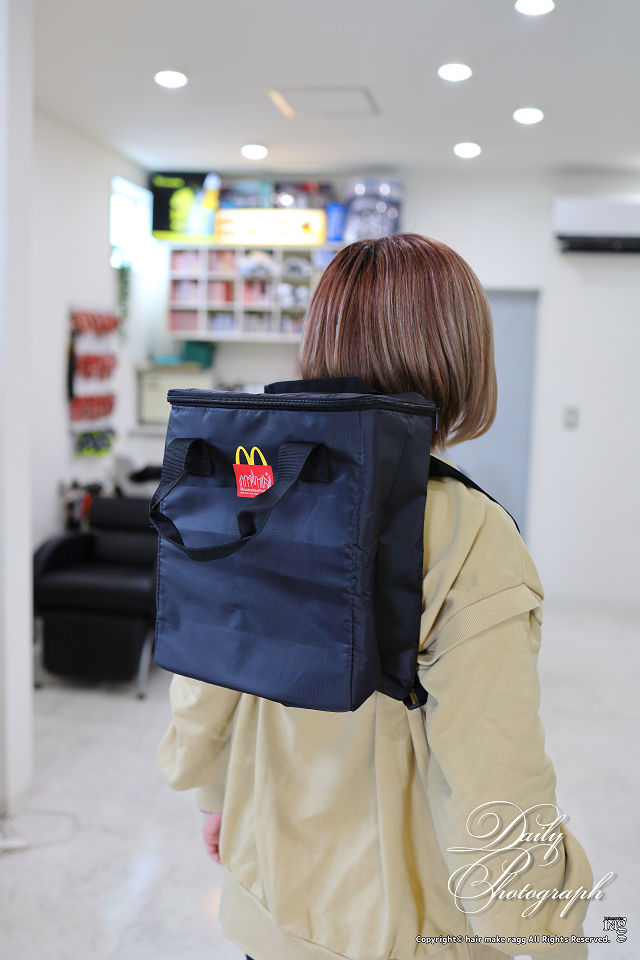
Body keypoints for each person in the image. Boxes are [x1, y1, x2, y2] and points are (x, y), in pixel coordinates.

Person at [157, 234, 595, 960]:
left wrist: (215, 797)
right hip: (398, 933)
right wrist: (547, 929)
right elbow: (493, 773)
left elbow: (209, 677)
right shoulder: (465, 532)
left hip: (267, 902)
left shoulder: (261, 492)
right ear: (462, 356)